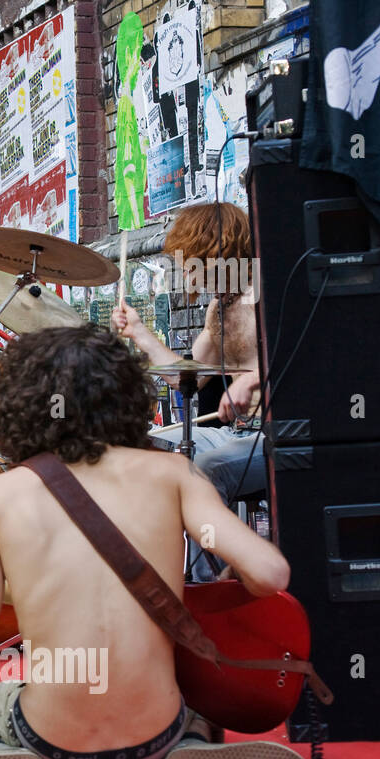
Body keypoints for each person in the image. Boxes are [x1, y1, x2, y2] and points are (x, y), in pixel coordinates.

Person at [0, 325, 308, 759]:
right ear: (127, 396)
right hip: (153, 740)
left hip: (52, 747)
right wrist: (226, 587)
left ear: (19, 403)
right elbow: (271, 574)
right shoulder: (173, 475)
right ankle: (187, 746)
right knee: (198, 699)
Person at [111, 202, 262, 580]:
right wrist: (140, 333)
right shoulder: (220, 308)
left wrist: (252, 379)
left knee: (205, 470)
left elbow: (304, 354)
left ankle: (211, 586)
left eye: (189, 260)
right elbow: (186, 377)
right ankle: (156, 575)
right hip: (235, 432)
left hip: (273, 434)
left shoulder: (264, 294)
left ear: (215, 252)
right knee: (142, 447)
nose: (185, 271)